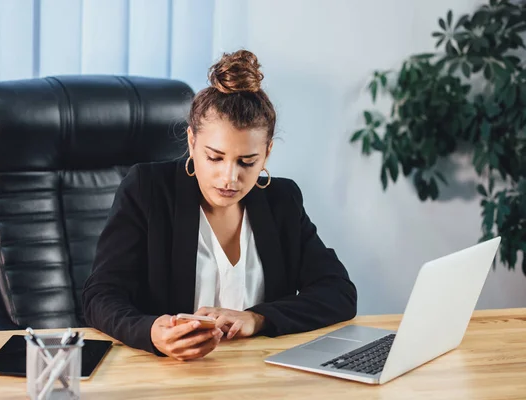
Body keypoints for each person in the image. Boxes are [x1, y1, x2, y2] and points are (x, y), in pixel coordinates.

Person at [82, 49, 357, 361]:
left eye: (247, 161)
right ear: (192, 142)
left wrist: (257, 318)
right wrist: (150, 332)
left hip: (259, 377)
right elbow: (100, 296)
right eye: (214, 157)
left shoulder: (282, 201)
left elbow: (338, 293)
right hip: (169, 376)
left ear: (266, 154)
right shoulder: (147, 189)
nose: (230, 178)